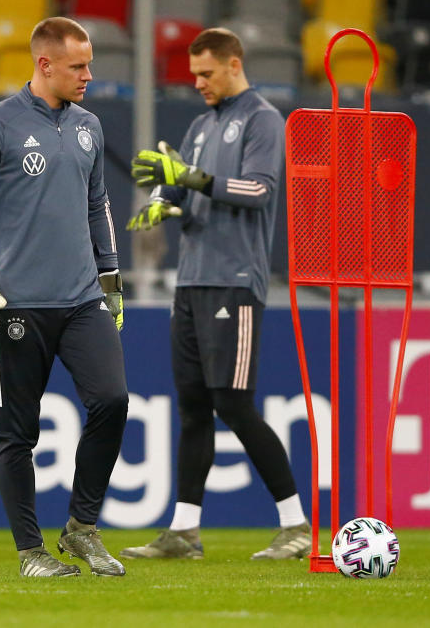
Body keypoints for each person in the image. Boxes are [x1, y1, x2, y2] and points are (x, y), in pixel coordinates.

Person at [0, 17, 128, 578]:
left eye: (89, 65)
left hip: (80, 299)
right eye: (78, 67)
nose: (88, 76)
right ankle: (31, 552)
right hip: (17, 304)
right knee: (18, 433)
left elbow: (98, 204)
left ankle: (82, 530)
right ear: (44, 64)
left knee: (113, 400)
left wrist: (111, 278)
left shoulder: (89, 127)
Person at [122, 28, 311, 560]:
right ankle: (184, 532)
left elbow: (258, 190)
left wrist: (191, 177)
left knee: (234, 403)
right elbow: (182, 181)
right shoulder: (202, 124)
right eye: (194, 74)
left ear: (234, 64)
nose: (198, 83)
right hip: (192, 279)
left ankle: (296, 525)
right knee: (194, 407)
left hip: (235, 281)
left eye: (206, 73)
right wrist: (164, 198)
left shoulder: (263, 120)